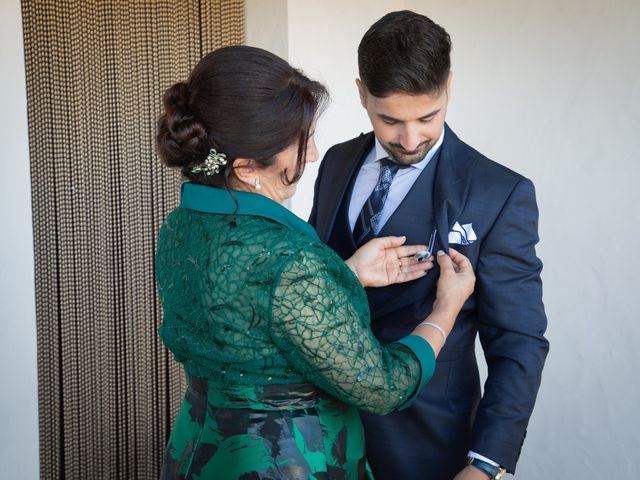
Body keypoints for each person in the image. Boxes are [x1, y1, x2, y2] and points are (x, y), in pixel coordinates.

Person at [155, 45, 475, 479]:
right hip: (284, 461)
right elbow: (381, 386)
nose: (313, 154)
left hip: (200, 451)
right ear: (248, 167)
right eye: (299, 142)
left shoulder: (180, 225)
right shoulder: (290, 259)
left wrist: (341, 274)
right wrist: (446, 308)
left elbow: (239, 309)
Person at [309, 10, 549, 480]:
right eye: (390, 120)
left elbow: (518, 341)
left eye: (428, 116)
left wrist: (487, 463)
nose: (411, 138)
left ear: (449, 87)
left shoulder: (498, 193)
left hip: (429, 446)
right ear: (361, 94)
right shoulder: (335, 162)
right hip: (319, 434)